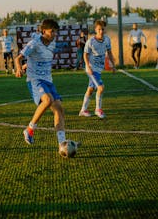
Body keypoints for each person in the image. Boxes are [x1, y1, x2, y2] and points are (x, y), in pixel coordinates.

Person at [15, 18, 80, 157]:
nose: (54, 34)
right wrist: (19, 68)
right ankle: (30, 129)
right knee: (48, 100)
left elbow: (38, 59)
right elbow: (18, 58)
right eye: (52, 31)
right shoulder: (34, 43)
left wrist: (28, 65)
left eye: (56, 32)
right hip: (35, 80)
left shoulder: (52, 43)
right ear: (44, 31)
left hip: (48, 80)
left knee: (59, 110)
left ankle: (62, 144)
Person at [79, 20, 115, 119]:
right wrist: (88, 66)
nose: (101, 31)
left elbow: (110, 52)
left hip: (98, 69)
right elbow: (85, 54)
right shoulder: (91, 41)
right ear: (95, 30)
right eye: (99, 29)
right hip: (91, 69)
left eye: (103, 29)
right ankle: (98, 109)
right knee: (101, 87)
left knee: (90, 89)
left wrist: (113, 65)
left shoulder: (107, 40)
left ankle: (83, 110)